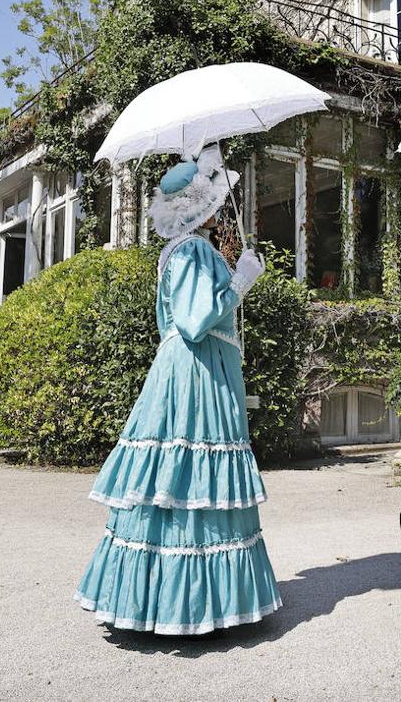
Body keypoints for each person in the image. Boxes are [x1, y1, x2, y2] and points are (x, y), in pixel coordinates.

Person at [76, 145, 282, 635]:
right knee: (190, 478)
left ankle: (172, 600)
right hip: (195, 373)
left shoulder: (182, 250)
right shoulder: (193, 250)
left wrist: (231, 277)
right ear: (203, 210)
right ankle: (188, 606)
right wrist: (240, 284)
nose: (220, 211)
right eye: (217, 201)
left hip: (193, 368)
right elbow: (194, 321)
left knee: (182, 482)